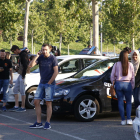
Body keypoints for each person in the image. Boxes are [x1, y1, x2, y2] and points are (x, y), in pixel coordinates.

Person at [29, 44, 58, 129]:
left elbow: (56, 72)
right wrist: (36, 56)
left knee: (48, 102)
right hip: (41, 83)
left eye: (45, 50)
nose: (44, 51)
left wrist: (49, 83)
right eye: (43, 50)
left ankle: (48, 123)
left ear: (49, 50)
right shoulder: (40, 57)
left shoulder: (53, 58)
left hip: (50, 84)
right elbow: (30, 65)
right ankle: (38, 122)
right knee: (36, 101)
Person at [111, 51, 135, 125]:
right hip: (127, 84)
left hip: (118, 84)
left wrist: (113, 83)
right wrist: (132, 86)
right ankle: (129, 119)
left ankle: (123, 120)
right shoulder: (130, 64)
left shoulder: (116, 64)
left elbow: (112, 76)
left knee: (120, 102)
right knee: (128, 102)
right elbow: (133, 77)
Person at [9, 45, 29, 112]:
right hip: (20, 74)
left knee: (22, 91)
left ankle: (23, 107)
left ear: (17, 49)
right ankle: (16, 105)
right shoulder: (21, 54)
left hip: (23, 75)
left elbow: (25, 65)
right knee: (15, 89)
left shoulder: (23, 54)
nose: (14, 53)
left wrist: (23, 76)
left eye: (14, 51)